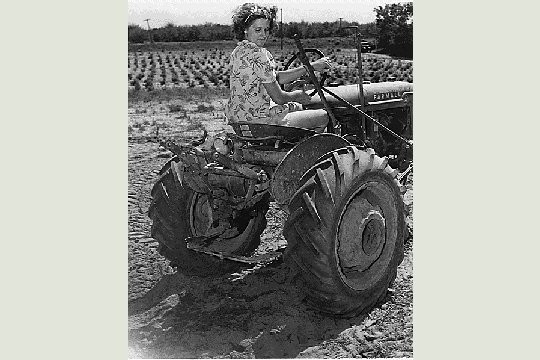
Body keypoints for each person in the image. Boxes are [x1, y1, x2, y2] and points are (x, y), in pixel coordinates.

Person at [225, 3, 332, 133]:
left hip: (240, 120)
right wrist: (297, 94)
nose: (263, 35)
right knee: (323, 116)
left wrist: (310, 67)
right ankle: (296, 150)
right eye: (258, 30)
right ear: (245, 30)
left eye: (266, 30)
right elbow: (279, 98)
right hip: (260, 123)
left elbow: (274, 77)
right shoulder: (260, 55)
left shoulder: (239, 51)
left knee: (296, 107)